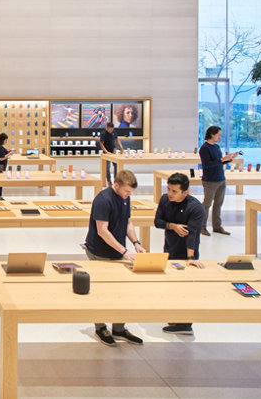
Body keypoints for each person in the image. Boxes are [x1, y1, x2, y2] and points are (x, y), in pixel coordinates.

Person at [84, 170, 146, 347]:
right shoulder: (103, 200)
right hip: (99, 252)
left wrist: (136, 243)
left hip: (117, 251)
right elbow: (102, 231)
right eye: (126, 191)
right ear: (116, 185)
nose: (129, 195)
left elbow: (128, 222)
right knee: (101, 292)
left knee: (121, 291)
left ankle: (119, 328)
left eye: (131, 192)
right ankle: (100, 328)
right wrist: (124, 251)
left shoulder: (125, 197)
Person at [154, 172, 205, 335]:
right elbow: (158, 222)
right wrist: (172, 226)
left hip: (186, 252)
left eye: (174, 191)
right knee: (171, 284)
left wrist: (190, 258)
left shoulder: (196, 208)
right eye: (168, 189)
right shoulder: (164, 200)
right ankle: (176, 316)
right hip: (169, 249)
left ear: (186, 192)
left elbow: (192, 234)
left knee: (185, 288)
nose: (170, 193)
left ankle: (185, 324)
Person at [199, 126, 238, 236]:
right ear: (212, 134)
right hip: (210, 181)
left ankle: (217, 226)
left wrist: (229, 159)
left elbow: (219, 162)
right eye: (218, 135)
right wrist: (221, 159)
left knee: (218, 204)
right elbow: (207, 165)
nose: (220, 137)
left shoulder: (216, 147)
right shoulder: (204, 148)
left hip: (221, 179)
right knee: (207, 204)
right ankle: (202, 226)